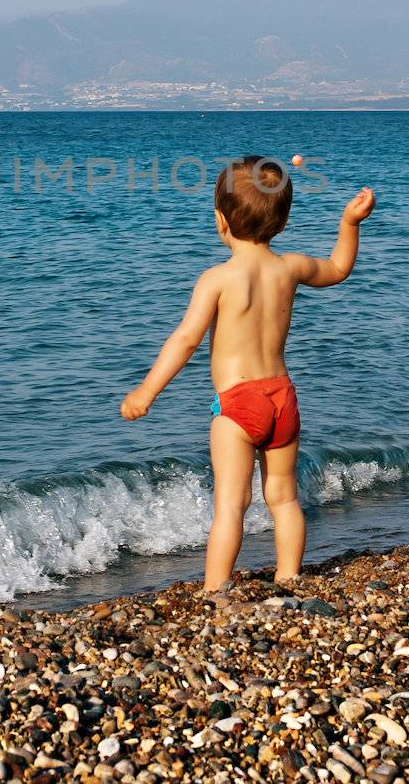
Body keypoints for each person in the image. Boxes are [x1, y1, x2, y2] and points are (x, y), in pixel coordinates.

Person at [120, 156, 375, 590]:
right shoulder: (290, 267)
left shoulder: (216, 278)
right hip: (282, 398)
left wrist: (146, 392)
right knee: (284, 498)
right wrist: (350, 222)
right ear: (285, 219)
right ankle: (290, 575)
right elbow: (338, 269)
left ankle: (216, 590)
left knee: (230, 506)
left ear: (220, 219)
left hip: (239, 405)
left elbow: (185, 341)